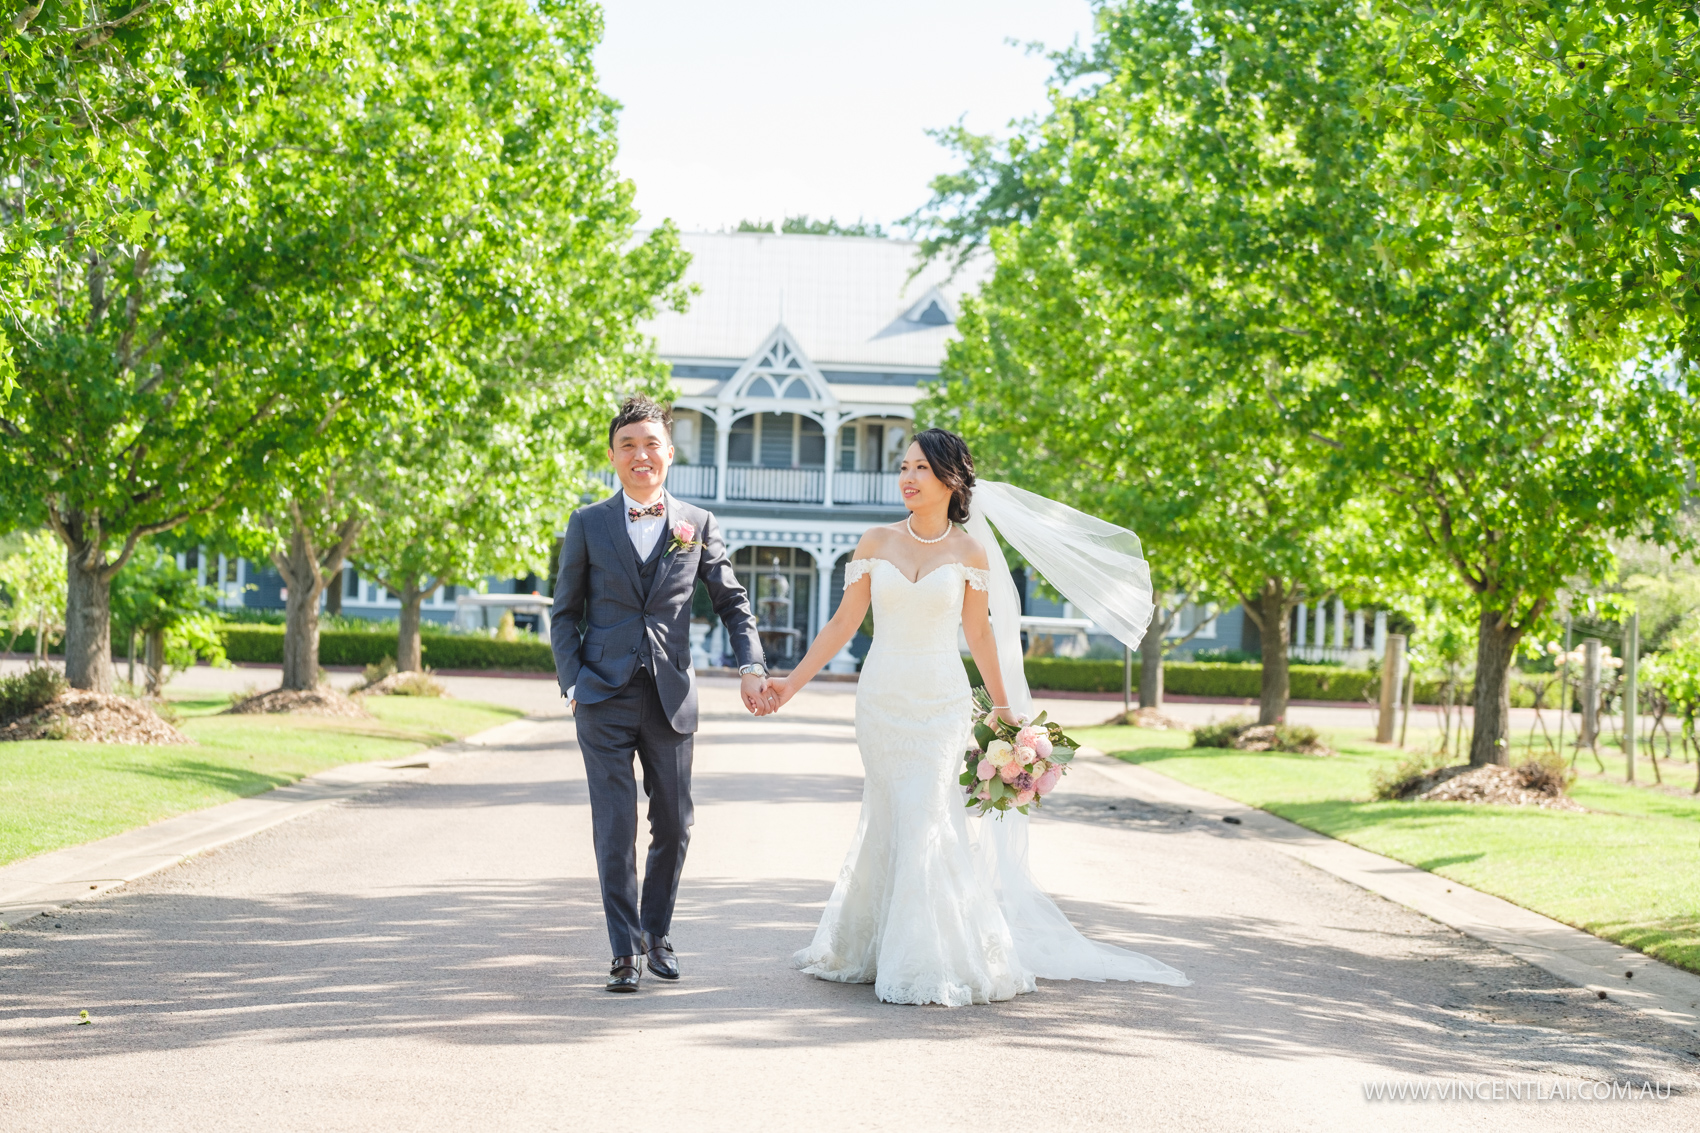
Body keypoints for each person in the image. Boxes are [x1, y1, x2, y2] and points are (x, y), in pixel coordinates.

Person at [764, 427, 1189, 1005]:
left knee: (927, 815)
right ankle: (873, 944)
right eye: (904, 467)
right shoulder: (874, 541)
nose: (907, 478)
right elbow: (843, 625)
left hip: (941, 702)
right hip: (883, 700)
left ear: (949, 479)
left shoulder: (970, 552)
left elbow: (980, 634)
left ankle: (931, 955)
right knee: (891, 813)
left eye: (920, 468)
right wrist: (790, 685)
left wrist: (1009, 717)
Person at [551, 395, 774, 993]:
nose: (640, 455)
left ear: (669, 454)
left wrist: (751, 663)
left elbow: (732, 602)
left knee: (674, 825)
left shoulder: (696, 524)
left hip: (671, 697)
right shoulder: (588, 523)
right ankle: (623, 951)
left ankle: (657, 932)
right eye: (628, 445)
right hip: (601, 695)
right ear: (613, 456)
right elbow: (564, 613)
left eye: (651, 444)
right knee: (615, 826)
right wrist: (573, 680)